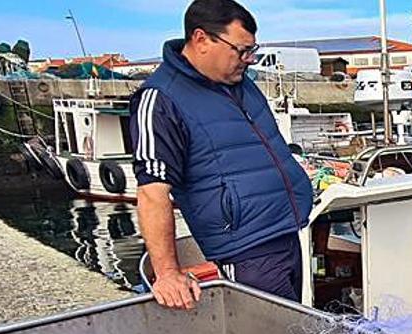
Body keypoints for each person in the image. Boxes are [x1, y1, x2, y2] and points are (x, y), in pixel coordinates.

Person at [130, 0, 313, 309]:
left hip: (285, 232)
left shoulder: (238, 82)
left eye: (252, 50)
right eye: (241, 51)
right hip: (246, 250)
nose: (249, 60)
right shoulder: (161, 99)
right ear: (201, 39)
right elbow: (152, 192)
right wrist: (168, 273)